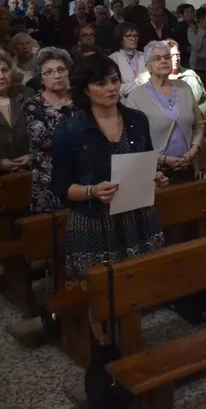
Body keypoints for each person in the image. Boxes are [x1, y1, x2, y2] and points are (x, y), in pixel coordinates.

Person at [51, 54, 167, 278]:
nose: (111, 88)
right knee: (101, 290)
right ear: (85, 90)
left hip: (138, 216)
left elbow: (145, 164)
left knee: (144, 283)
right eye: (100, 83)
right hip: (94, 221)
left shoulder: (137, 120)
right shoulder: (70, 131)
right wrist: (92, 191)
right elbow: (59, 187)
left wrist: (154, 178)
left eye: (114, 80)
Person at [125, 41, 205, 184]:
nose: (163, 61)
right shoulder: (136, 97)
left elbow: (199, 125)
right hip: (157, 174)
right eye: (157, 58)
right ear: (148, 66)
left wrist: (194, 149)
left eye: (167, 57)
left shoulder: (184, 88)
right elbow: (134, 142)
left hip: (188, 166)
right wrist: (163, 160)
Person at [22, 48, 76, 211]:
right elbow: (44, 141)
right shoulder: (32, 106)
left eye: (61, 70)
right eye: (49, 72)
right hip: (49, 179)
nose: (57, 75)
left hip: (81, 175)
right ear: (41, 78)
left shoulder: (80, 101)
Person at [0, 50, 33, 174]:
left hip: (31, 172)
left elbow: (44, 131)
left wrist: (32, 155)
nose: (1, 76)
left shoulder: (27, 94)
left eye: (4, 70)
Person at [108, 22, 146, 96]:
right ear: (121, 39)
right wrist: (140, 81)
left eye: (135, 36)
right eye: (129, 36)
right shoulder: (112, 59)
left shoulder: (146, 56)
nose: (133, 39)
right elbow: (118, 88)